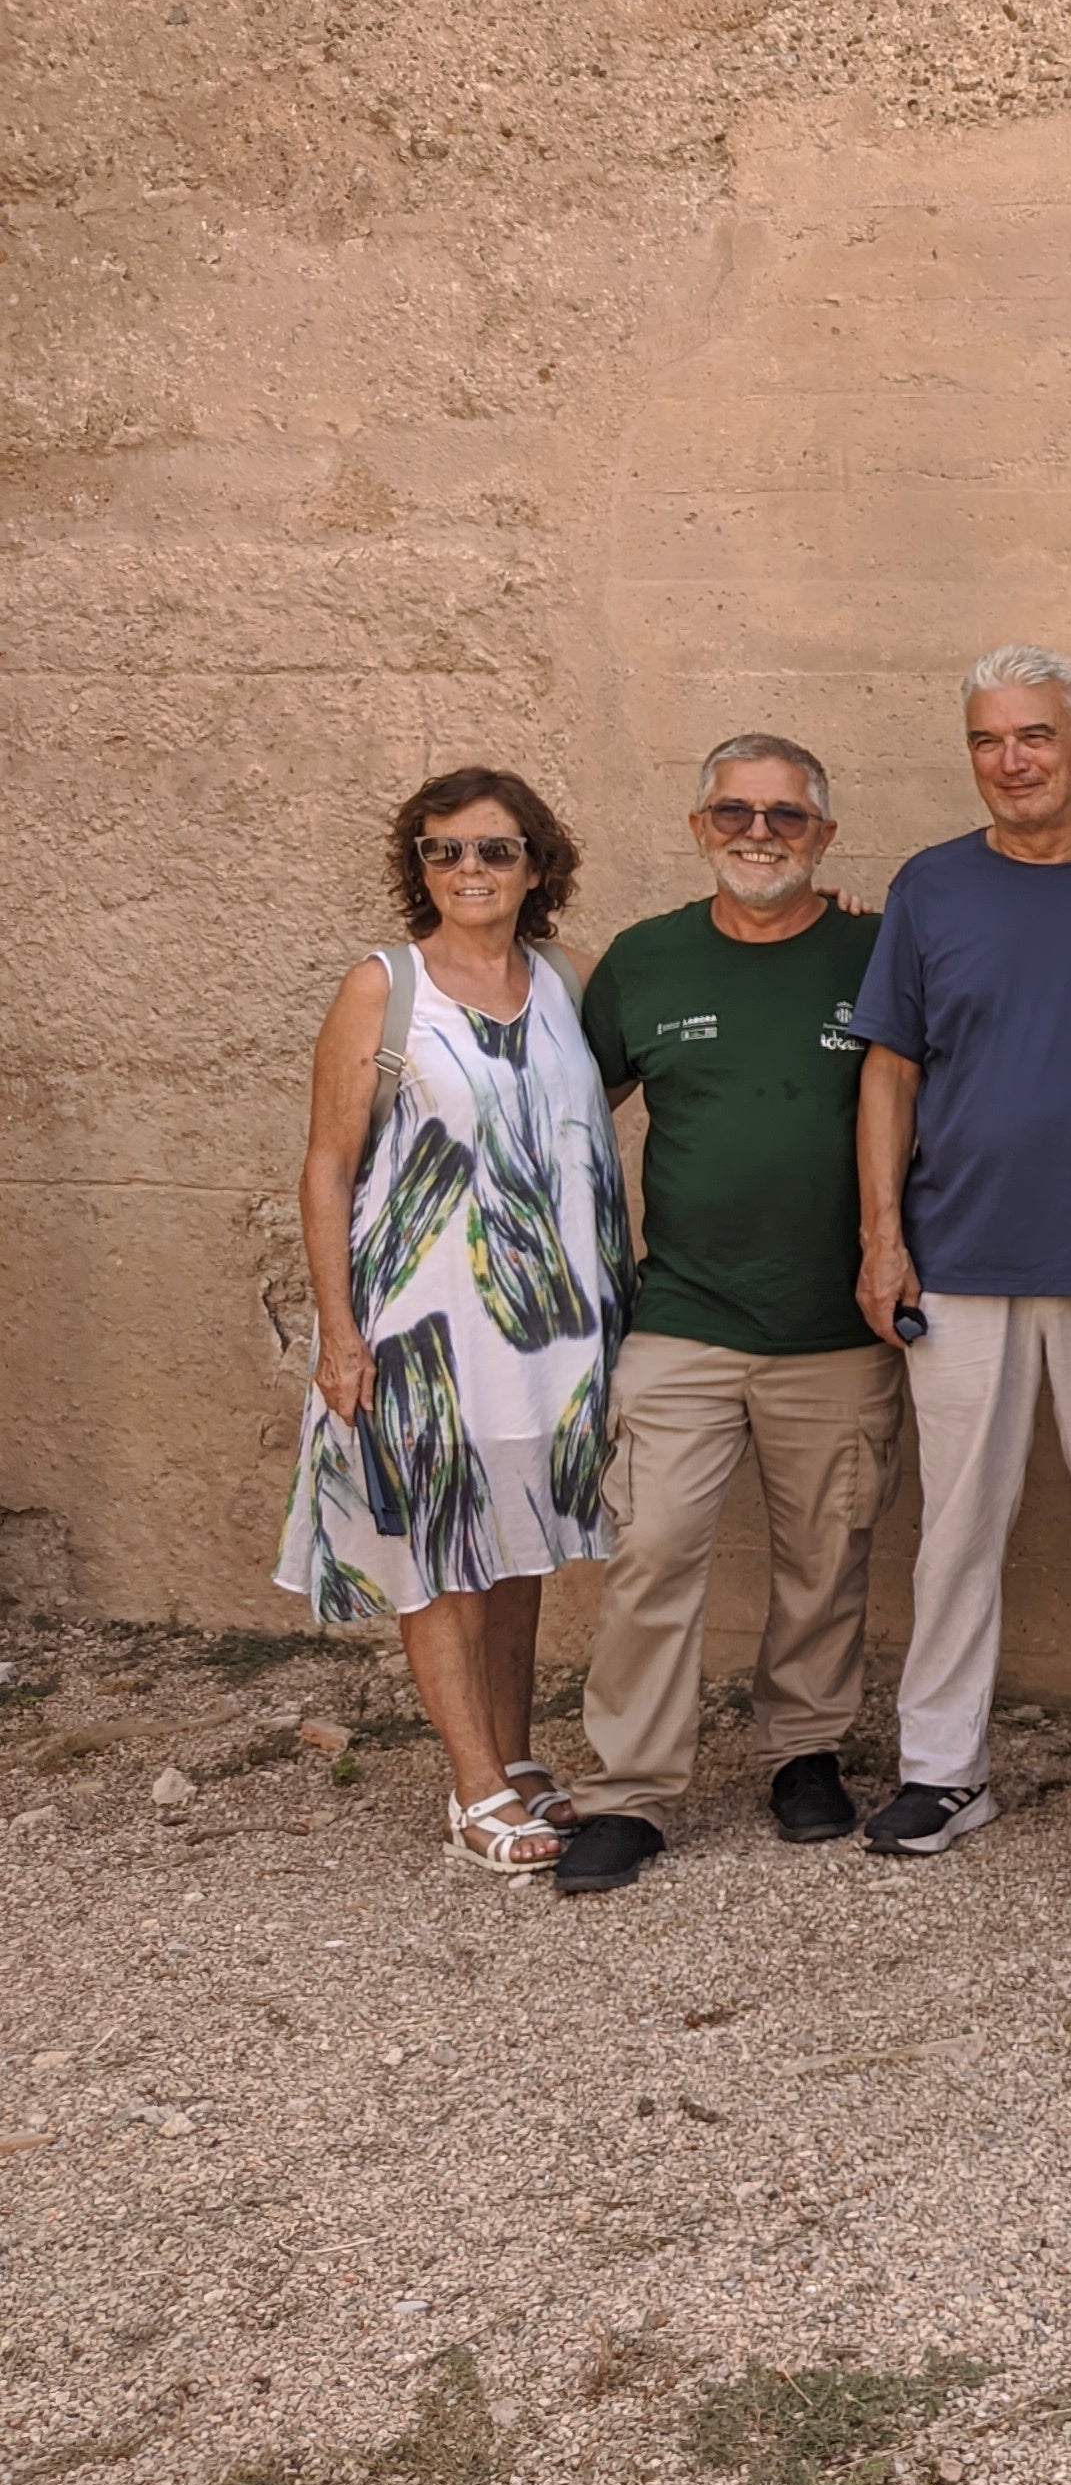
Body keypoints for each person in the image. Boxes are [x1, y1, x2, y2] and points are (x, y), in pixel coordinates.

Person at [851, 644, 1071, 1857]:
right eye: (988, 741)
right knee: (956, 1528)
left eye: (1036, 736)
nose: (1012, 761)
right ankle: (943, 1768)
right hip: (958, 1258)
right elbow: (891, 1070)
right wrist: (882, 1239)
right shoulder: (929, 887)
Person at [556, 740, 897, 1892]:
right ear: (700, 826)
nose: (761, 834)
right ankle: (630, 1793)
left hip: (840, 1328)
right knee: (651, 1551)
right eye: (736, 813)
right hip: (683, 1318)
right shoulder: (645, 961)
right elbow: (568, 1116)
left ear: (825, 838)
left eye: (789, 818)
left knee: (827, 1555)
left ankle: (803, 1752)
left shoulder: (877, 950)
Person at [279, 770, 632, 1875]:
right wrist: (340, 1334)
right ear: (417, 865)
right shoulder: (385, 987)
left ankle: (517, 1758)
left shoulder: (566, 978)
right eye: (443, 852)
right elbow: (330, 1166)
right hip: (418, 1324)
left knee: (519, 1538)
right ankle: (473, 1787)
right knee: (436, 1543)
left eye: (493, 850)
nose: (468, 871)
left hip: (546, 1323)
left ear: (537, 865)